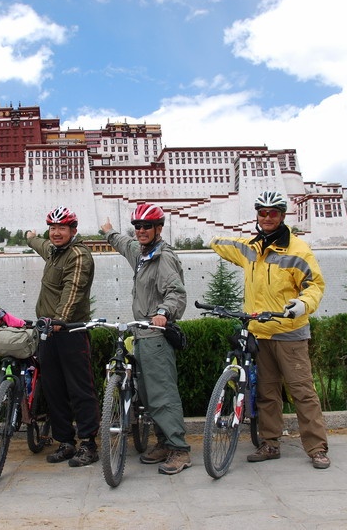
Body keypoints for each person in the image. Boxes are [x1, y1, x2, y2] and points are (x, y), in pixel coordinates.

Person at [209, 191, 330, 469]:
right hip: (259, 333)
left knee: (302, 392)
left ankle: (316, 447)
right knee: (266, 392)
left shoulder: (299, 250)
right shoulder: (251, 248)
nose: (267, 218)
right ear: (257, 215)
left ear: (283, 216)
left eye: (273, 213)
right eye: (262, 213)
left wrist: (302, 304)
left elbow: (315, 285)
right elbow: (228, 245)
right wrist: (211, 238)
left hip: (290, 332)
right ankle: (270, 443)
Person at [100, 203, 191, 475]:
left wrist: (163, 312)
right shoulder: (141, 254)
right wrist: (109, 232)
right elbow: (124, 243)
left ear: (158, 229)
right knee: (149, 396)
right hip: (141, 334)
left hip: (156, 334)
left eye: (146, 226)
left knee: (162, 393)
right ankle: (164, 443)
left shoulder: (163, 258)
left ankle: (179, 450)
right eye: (137, 226)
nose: (140, 231)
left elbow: (176, 292)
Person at [26, 206, 101, 467]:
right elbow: (41, 245)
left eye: (62, 228)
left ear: (73, 231)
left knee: (79, 389)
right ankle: (65, 442)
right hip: (48, 332)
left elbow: (74, 290)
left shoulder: (78, 255)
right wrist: (29, 236)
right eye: (53, 228)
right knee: (53, 388)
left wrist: (60, 319)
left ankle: (88, 443)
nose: (56, 233)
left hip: (71, 331)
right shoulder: (54, 251)